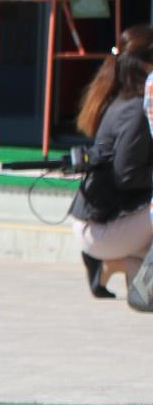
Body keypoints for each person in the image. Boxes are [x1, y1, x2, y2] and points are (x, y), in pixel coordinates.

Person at [67, 25, 153, 298]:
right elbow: (126, 175)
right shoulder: (136, 111)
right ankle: (112, 265)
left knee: (143, 261)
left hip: (100, 223)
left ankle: (112, 267)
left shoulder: (122, 101)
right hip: (100, 228)